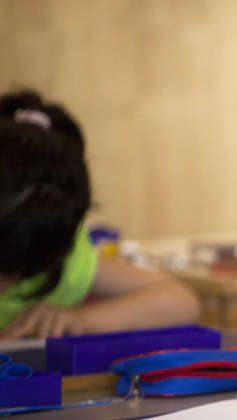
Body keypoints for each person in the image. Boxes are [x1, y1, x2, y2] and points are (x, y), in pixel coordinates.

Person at [0, 90, 200, 340]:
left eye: (17, 273)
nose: (5, 287)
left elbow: (183, 302)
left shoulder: (67, 261)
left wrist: (81, 319)